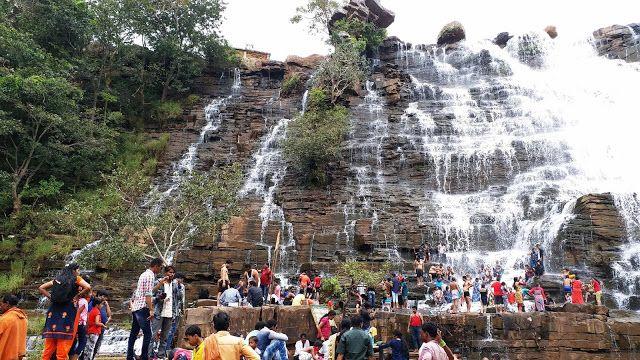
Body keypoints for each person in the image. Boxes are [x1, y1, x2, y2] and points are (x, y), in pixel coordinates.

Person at [39, 263, 91, 360]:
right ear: (74, 270)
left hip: (52, 313)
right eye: (78, 270)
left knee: (48, 349)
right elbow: (88, 287)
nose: (79, 272)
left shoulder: (57, 279)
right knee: (62, 350)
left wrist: (51, 297)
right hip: (67, 313)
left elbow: (41, 288)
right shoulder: (76, 278)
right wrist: (77, 296)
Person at [127, 257, 163, 360]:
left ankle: (129, 356)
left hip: (136, 308)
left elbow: (150, 291)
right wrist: (151, 310)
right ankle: (144, 356)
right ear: (156, 266)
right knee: (148, 334)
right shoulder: (150, 276)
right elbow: (148, 295)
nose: (160, 270)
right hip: (143, 308)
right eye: (160, 267)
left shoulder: (144, 274)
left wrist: (160, 284)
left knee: (133, 333)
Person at [151, 265, 179, 359]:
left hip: (170, 313)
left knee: (165, 336)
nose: (171, 274)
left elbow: (176, 299)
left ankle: (161, 355)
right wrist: (160, 298)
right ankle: (148, 354)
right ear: (165, 273)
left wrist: (175, 312)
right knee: (152, 334)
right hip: (159, 312)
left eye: (173, 273)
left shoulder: (175, 284)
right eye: (170, 272)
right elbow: (151, 296)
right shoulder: (159, 282)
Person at [0, 294, 27, 360]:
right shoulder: (23, 318)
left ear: (7, 304)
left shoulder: (5, 319)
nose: (0, 307)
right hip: (18, 356)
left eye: (1, 304)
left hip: (5, 356)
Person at [166, 273, 187, 354]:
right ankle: (166, 349)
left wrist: (182, 310)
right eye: (181, 279)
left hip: (176, 311)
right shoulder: (172, 284)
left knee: (172, 330)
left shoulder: (181, 286)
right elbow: (180, 298)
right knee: (170, 331)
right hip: (171, 311)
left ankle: (167, 348)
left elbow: (182, 299)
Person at [89, 290, 112, 360]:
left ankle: (92, 357)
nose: (105, 298)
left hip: (101, 327)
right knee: (91, 345)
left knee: (97, 344)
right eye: (104, 296)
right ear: (99, 296)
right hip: (94, 327)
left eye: (106, 297)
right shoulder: (94, 303)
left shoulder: (104, 304)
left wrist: (107, 305)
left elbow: (109, 314)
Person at [70, 287, 89, 360]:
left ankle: (71, 357)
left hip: (73, 323)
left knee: (73, 342)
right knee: (83, 342)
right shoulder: (84, 301)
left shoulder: (73, 300)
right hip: (81, 324)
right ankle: (75, 358)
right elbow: (83, 314)